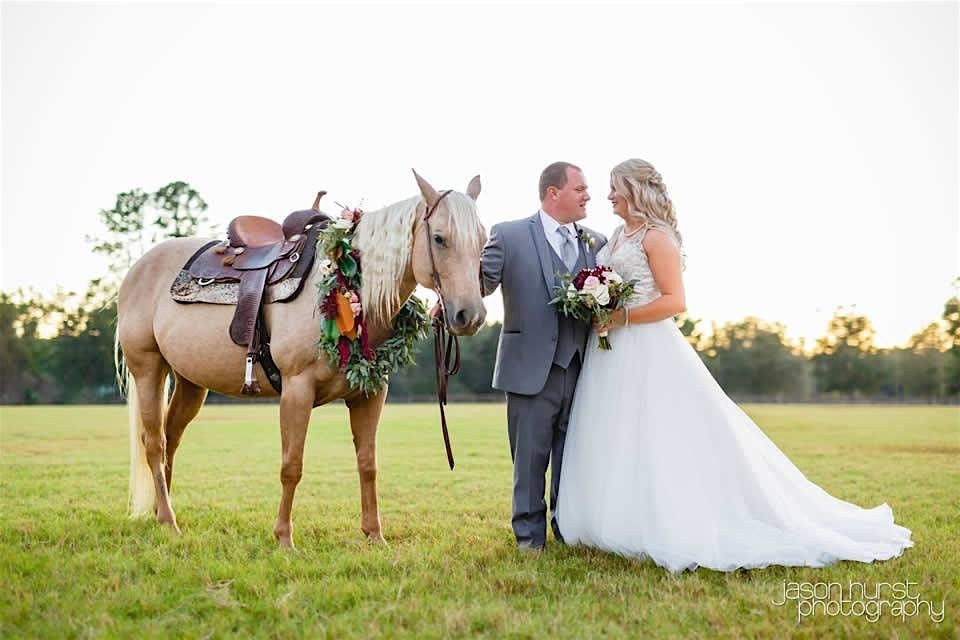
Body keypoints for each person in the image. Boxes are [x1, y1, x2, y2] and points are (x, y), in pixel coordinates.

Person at [555, 158, 913, 572]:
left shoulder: (657, 238)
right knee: (613, 433)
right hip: (609, 352)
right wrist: (598, 304)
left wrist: (624, 316)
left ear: (635, 189)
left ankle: (663, 521)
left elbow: (676, 300)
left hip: (648, 347)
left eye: (615, 186)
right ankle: (610, 519)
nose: (608, 194)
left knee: (658, 434)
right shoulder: (617, 235)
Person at [480, 161, 607, 551]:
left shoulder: (597, 243)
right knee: (529, 463)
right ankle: (529, 540)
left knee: (573, 461)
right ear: (554, 193)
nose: (588, 195)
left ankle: (567, 531)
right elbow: (479, 284)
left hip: (584, 369)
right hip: (529, 369)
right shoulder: (510, 234)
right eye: (580, 188)